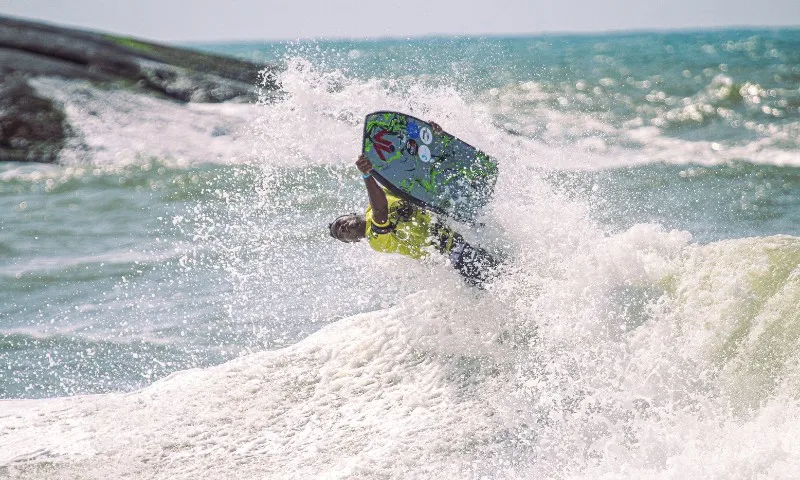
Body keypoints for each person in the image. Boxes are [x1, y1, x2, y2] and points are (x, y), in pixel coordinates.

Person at [329, 123, 499, 287]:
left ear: (350, 214)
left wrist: (430, 138)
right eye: (341, 235)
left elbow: (413, 176)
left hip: (471, 232)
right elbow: (380, 213)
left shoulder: (380, 197)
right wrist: (367, 175)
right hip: (457, 254)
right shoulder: (376, 241)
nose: (343, 229)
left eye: (340, 223)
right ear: (354, 242)